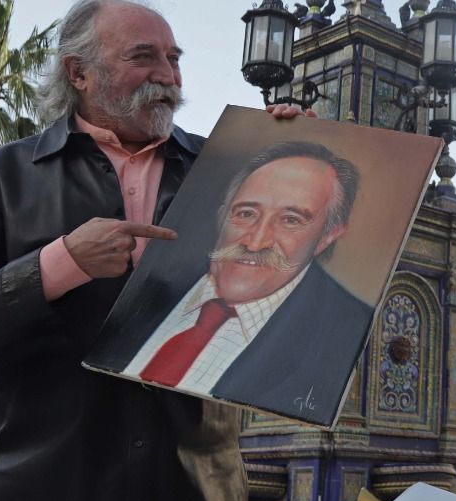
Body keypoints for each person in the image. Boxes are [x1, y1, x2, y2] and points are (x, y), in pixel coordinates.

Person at [0, 0, 313, 501]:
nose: (169, 75)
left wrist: (299, 150)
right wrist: (61, 263)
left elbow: (295, 316)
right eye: (143, 56)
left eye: (174, 59)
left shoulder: (233, 171)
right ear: (79, 72)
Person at [98, 140, 373, 421]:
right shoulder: (156, 278)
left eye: (290, 220)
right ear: (222, 215)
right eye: (246, 214)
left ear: (327, 236)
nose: (255, 242)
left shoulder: (345, 329)